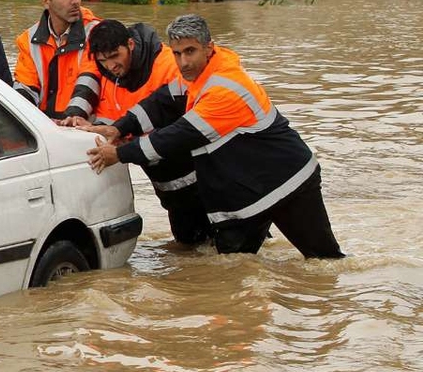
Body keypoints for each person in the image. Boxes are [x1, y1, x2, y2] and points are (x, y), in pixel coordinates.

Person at [84, 14, 343, 259]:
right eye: (177, 53)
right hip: (248, 196)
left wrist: (118, 154)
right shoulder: (197, 76)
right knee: (228, 270)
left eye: (190, 51)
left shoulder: (223, 88)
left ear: (209, 48)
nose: (183, 62)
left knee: (325, 260)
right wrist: (119, 127)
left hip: (290, 185)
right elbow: (161, 102)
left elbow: (178, 136)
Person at [76, 19, 211, 245]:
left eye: (114, 56)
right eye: (103, 61)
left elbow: (180, 126)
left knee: (223, 246)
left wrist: (121, 151)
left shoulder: (170, 65)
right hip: (167, 183)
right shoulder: (111, 77)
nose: (111, 66)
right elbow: (118, 116)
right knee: (188, 248)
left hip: (202, 177)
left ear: (130, 44)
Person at [14, 0, 102, 118]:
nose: (75, 0)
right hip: (44, 125)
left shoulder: (96, 32)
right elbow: (26, 88)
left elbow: (90, 81)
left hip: (84, 126)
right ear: (45, 1)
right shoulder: (28, 39)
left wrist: (71, 119)